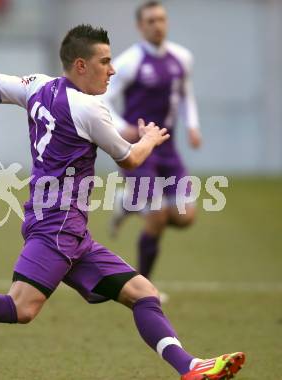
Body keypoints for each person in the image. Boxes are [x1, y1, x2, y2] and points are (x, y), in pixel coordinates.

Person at [0, 24, 244, 379]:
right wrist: (150, 138)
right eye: (105, 61)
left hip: (65, 226)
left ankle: (190, 367)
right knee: (21, 306)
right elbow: (131, 158)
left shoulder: (37, 85)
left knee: (142, 292)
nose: (113, 69)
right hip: (58, 226)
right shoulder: (89, 109)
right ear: (80, 65)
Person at [104, 1, 202, 283]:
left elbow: (186, 95)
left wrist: (192, 126)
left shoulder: (181, 58)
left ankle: (127, 202)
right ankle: (143, 286)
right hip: (138, 150)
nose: (157, 25)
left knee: (185, 217)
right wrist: (123, 127)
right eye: (150, 21)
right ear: (140, 26)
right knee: (157, 216)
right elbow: (103, 98)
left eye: (161, 19)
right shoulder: (129, 61)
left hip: (168, 148)